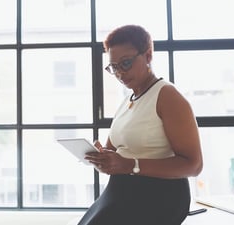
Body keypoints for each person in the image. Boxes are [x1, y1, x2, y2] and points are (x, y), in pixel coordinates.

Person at [78, 25, 203, 225]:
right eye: (114, 67)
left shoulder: (167, 96)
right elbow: (114, 150)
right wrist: (103, 157)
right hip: (121, 190)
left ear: (148, 55)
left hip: (159, 195)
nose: (120, 72)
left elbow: (194, 165)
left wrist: (129, 165)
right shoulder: (128, 100)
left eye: (125, 63)